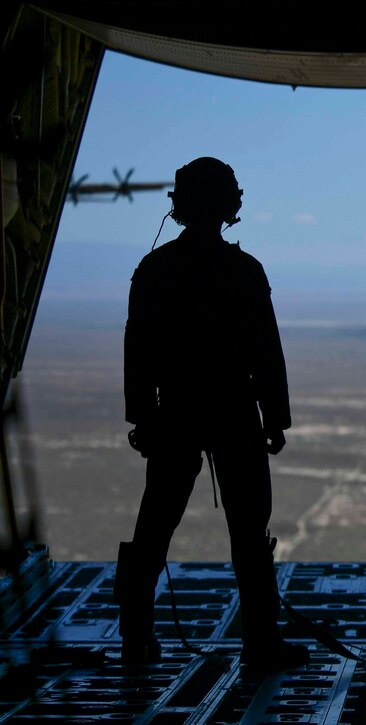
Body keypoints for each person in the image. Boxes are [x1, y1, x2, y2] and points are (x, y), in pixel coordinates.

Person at [115, 157, 308, 671]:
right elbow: (266, 352)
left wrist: (143, 418)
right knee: (249, 532)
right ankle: (262, 644)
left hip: (175, 412)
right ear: (227, 204)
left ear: (180, 205)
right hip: (233, 412)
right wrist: (275, 418)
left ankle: (135, 641)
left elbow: (138, 351)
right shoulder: (244, 271)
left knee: (154, 527)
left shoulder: (154, 270)